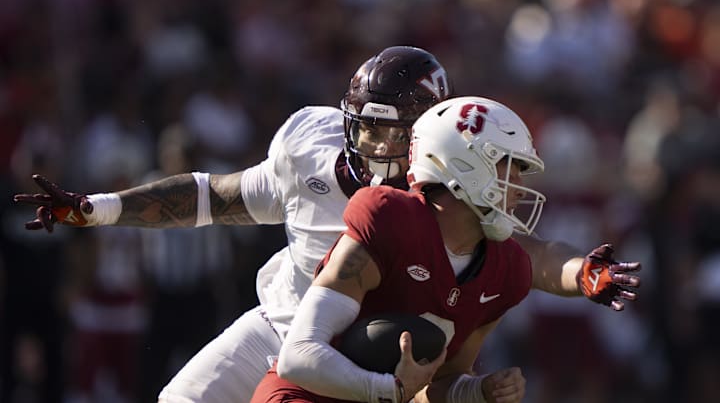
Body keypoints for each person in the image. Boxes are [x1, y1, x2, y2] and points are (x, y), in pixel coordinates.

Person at [13, 47, 639, 403]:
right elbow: (219, 196)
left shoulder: (439, 190)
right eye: (363, 121)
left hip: (369, 345)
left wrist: (580, 269)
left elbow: (518, 248)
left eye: (387, 126)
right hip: (287, 325)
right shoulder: (310, 148)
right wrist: (102, 208)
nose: (368, 138)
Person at [250, 96, 641, 403]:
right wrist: (387, 391)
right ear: (466, 164)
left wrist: (480, 391)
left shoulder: (504, 268)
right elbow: (298, 356)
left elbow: (437, 387)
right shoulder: (389, 219)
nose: (520, 184)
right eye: (511, 165)